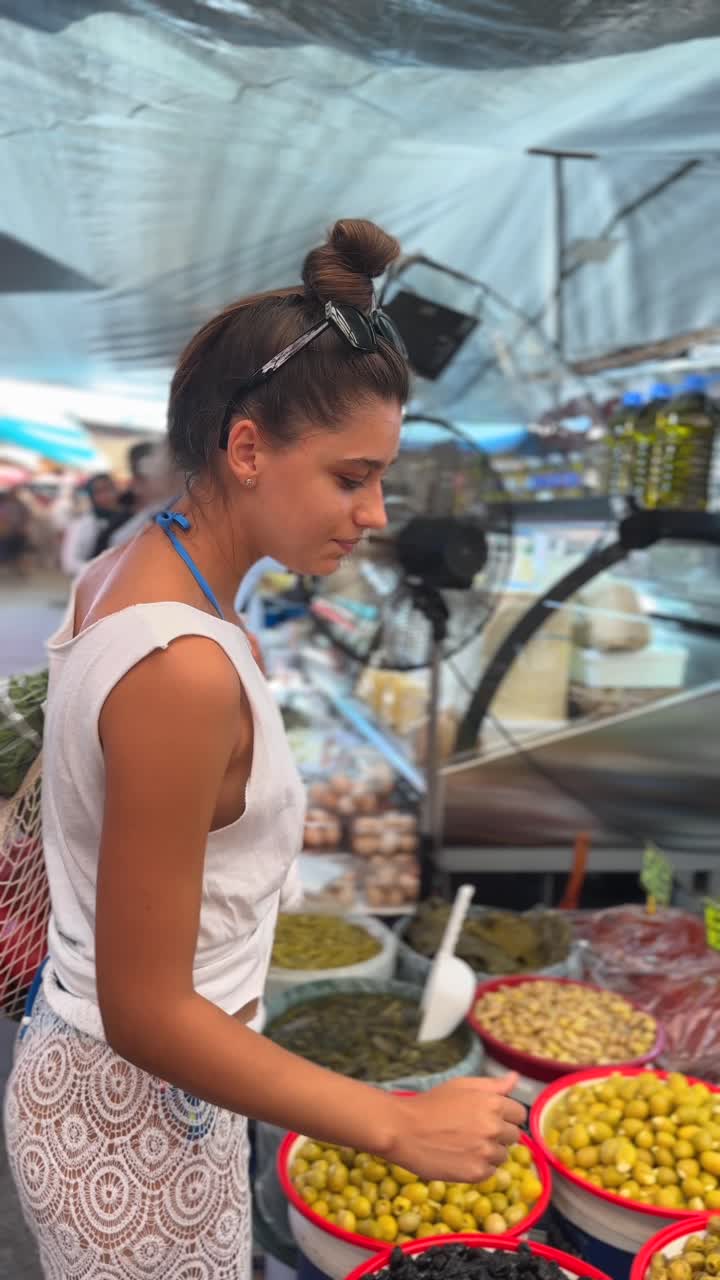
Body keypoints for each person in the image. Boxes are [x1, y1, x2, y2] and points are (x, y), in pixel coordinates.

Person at [3, 218, 524, 1280]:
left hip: (123, 1083)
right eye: (351, 476)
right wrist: (393, 1121)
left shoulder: (135, 559)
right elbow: (147, 1010)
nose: (376, 513)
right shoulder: (182, 667)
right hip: (131, 1115)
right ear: (247, 448)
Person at [59, 472, 128, 577]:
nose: (107, 495)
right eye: (99, 492)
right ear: (91, 496)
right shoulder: (83, 524)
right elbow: (70, 563)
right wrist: (100, 571)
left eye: (110, 489)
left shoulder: (130, 519)